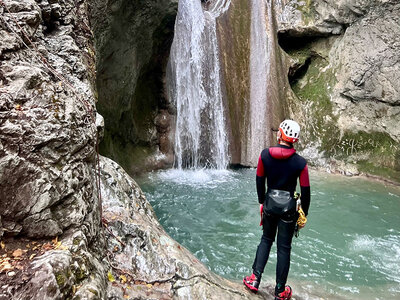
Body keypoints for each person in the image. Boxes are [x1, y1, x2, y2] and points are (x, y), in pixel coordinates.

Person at [243, 120, 311, 300]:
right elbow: (306, 191)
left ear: (280, 134)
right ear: (294, 140)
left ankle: (254, 279)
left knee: (266, 239)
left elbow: (259, 180)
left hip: (270, 205)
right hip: (289, 208)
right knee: (284, 248)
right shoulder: (300, 163)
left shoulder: (265, 155)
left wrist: (261, 202)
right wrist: (303, 214)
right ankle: (280, 290)